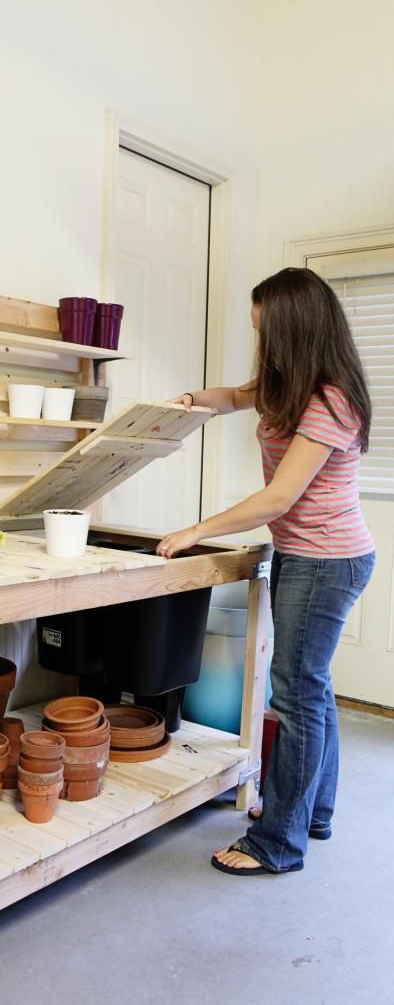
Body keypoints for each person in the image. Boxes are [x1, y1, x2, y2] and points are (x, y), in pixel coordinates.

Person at [156, 267, 376, 876]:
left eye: (265, 331)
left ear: (294, 331)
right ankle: (313, 812)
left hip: (325, 561)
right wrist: (194, 401)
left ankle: (279, 842)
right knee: (313, 689)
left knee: (296, 696)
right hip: (312, 557)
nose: (261, 343)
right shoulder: (290, 383)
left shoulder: (329, 399)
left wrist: (198, 530)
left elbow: (279, 498)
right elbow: (233, 397)